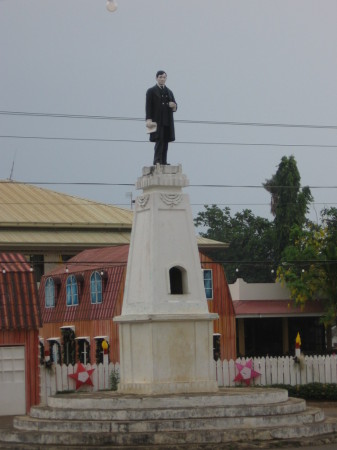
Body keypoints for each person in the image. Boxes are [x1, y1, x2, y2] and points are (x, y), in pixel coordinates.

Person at [145, 70, 177, 165]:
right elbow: (148, 106)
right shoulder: (151, 91)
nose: (162, 79)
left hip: (167, 120)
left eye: (164, 77)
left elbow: (175, 106)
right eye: (160, 77)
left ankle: (164, 161)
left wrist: (173, 105)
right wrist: (148, 119)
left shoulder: (169, 92)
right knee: (159, 140)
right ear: (156, 78)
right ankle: (157, 160)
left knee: (166, 140)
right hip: (157, 120)